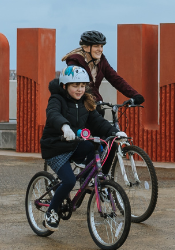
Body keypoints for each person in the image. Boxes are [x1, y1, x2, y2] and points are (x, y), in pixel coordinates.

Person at [39, 65, 125, 229]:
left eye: (82, 85)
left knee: (98, 145)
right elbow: (53, 114)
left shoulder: (86, 102)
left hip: (74, 145)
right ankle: (51, 211)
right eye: (74, 85)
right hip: (56, 148)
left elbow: (98, 122)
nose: (79, 89)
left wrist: (116, 132)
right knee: (69, 181)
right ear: (65, 86)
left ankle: (89, 177)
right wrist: (64, 126)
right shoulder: (57, 99)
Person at [62, 30, 145, 106]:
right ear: (86, 47)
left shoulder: (101, 60)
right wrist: (94, 100)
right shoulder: (75, 61)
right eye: (96, 46)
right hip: (78, 106)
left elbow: (115, 79)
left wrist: (135, 95)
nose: (100, 49)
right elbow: (79, 86)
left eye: (101, 46)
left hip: (95, 105)